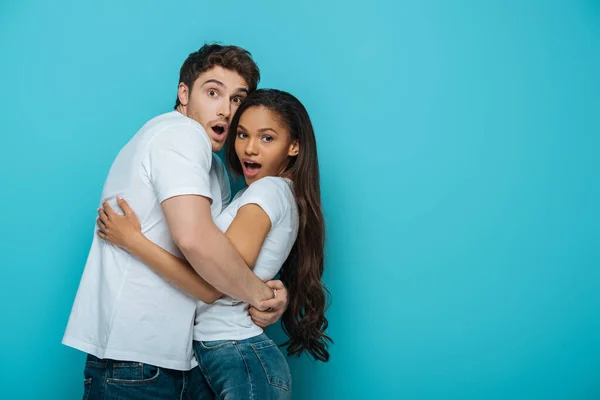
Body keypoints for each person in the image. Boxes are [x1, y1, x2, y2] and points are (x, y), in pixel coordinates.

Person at [62, 45, 289, 400]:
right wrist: (260, 295)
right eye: (213, 92)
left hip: (182, 359)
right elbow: (199, 245)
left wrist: (274, 295)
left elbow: (223, 264)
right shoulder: (180, 133)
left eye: (236, 100)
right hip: (135, 359)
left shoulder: (214, 169)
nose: (225, 109)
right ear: (184, 93)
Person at [97, 89, 332, 399]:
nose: (250, 149)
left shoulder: (268, 192)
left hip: (238, 355)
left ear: (294, 146)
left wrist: (133, 241)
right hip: (218, 355)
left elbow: (216, 280)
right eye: (243, 134)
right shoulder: (261, 195)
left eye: (267, 138)